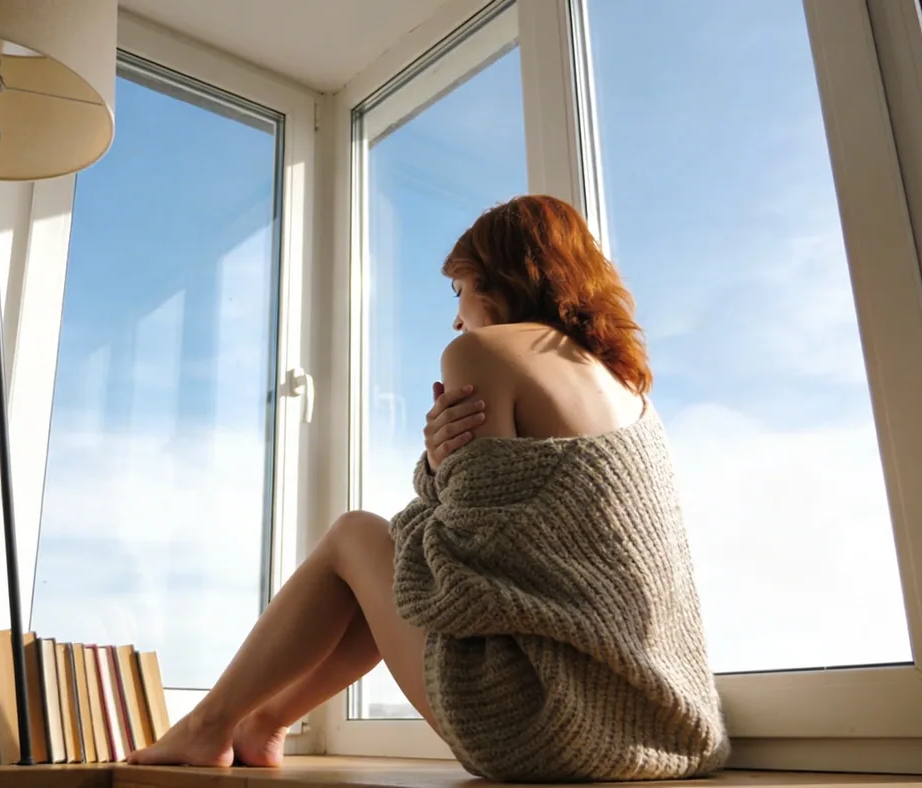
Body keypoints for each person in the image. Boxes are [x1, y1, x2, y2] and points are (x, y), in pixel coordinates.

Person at [127, 195, 729, 781]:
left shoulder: (481, 352)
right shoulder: (628, 390)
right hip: (665, 727)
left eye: (458, 289)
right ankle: (263, 723)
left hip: (546, 726)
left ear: (497, 281)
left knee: (354, 536)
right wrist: (444, 470)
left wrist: (436, 472)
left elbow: (457, 576)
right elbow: (527, 554)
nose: (457, 317)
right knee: (381, 557)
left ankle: (208, 724)